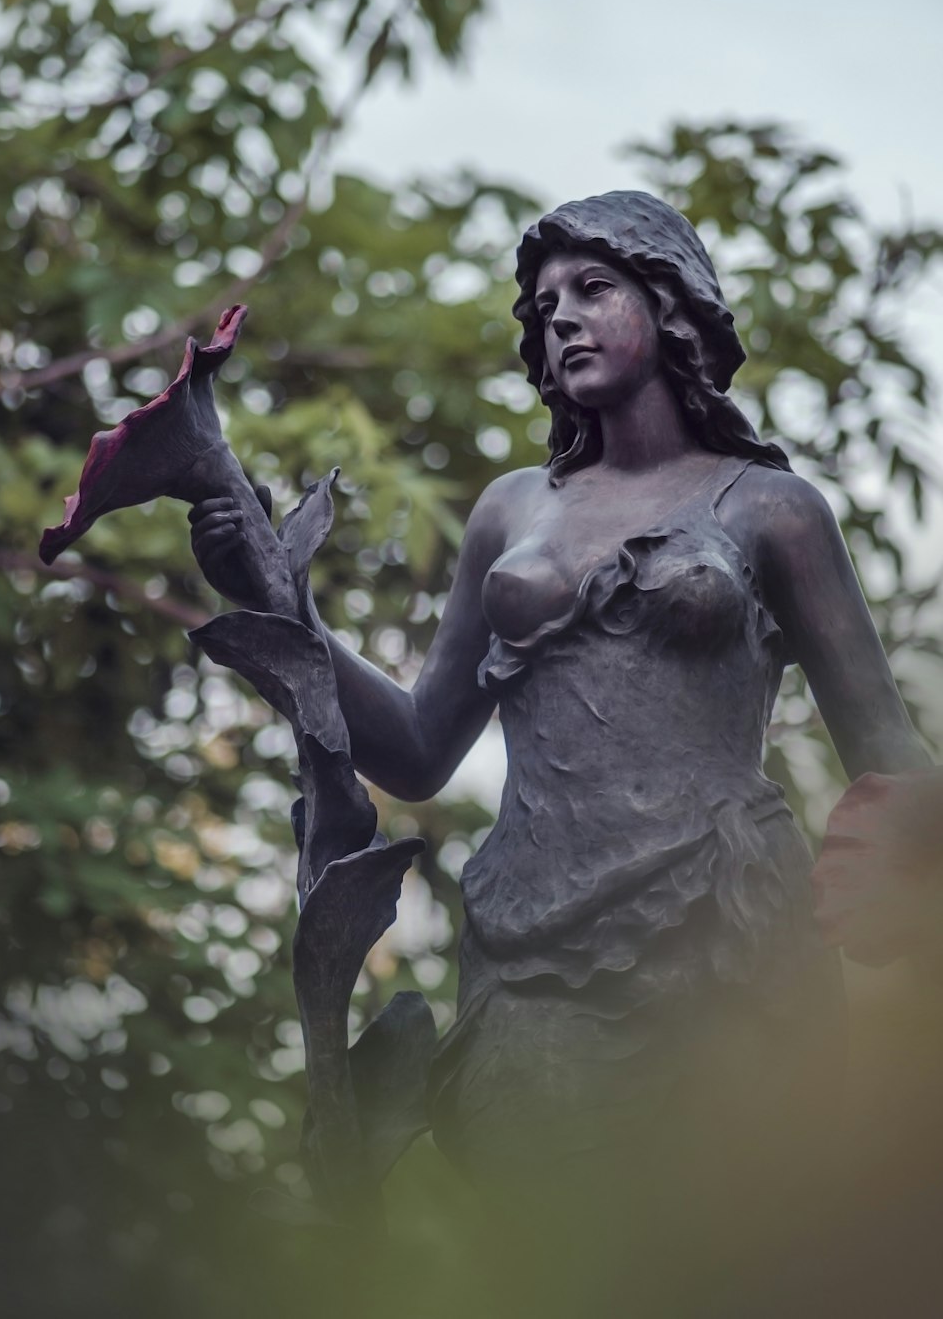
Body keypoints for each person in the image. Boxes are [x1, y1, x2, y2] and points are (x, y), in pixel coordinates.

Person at [190, 192, 929, 1309]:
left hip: (725, 934)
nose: (561, 322)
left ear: (669, 304)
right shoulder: (509, 510)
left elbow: (889, 753)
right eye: (542, 309)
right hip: (531, 941)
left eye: (593, 291)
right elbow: (418, 751)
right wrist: (275, 601)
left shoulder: (773, 510)